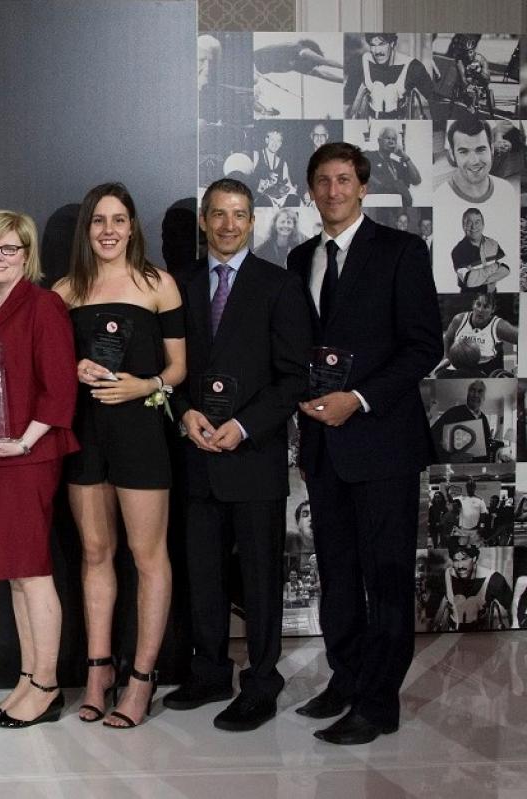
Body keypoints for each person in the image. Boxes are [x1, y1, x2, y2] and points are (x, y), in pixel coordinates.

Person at [291, 141, 442, 744]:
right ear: (310, 190)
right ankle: (347, 678)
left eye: (344, 180)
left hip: (383, 444)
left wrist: (358, 398)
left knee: (385, 576)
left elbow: (423, 347)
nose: (333, 191)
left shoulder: (402, 251)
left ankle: (380, 702)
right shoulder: (302, 257)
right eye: (323, 181)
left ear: (362, 186)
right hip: (324, 448)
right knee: (337, 571)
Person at [164, 178, 312, 732]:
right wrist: (183, 411)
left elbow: (293, 377)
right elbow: (166, 367)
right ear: (204, 221)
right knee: (202, 573)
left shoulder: (280, 285)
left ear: (253, 222)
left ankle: (262, 682)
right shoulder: (178, 285)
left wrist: (245, 426)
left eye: (240, 215)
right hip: (196, 452)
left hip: (253, 456)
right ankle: (209, 672)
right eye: (219, 214)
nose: (229, 224)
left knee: (259, 578)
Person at [53, 182, 186, 729]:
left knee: (148, 556)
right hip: (85, 435)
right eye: (98, 221)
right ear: (87, 230)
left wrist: (143, 384)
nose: (108, 230)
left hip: (141, 434)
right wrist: (73, 369)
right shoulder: (64, 291)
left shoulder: (160, 285)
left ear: (133, 227)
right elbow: (48, 368)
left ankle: (142, 679)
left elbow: (178, 369)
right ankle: (99, 672)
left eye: (118, 220)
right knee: (94, 553)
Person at [0, 211, 78, 728]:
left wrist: (23, 444)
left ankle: (46, 685)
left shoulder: (44, 305)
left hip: (26, 458)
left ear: (27, 255)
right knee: (16, 578)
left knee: (33, 572)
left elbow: (61, 387)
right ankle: (27, 679)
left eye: (9, 249)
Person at [426, 537, 511, 631]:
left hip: (481, 634)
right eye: (455, 560)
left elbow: (511, 605)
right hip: (452, 632)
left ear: (474, 558)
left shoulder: (494, 579)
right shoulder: (444, 576)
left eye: (464, 559)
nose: (460, 566)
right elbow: (431, 607)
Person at [346, 33, 433, 119]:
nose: (377, 51)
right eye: (373, 45)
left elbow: (435, 99)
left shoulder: (413, 67)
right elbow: (347, 98)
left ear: (392, 43)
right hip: (371, 122)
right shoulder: (361, 62)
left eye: (382, 44)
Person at [440, 115, 517, 205]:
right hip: (452, 152)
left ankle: (493, 186)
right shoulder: (456, 117)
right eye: (464, 152)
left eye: (481, 150)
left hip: (482, 143)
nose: (474, 161)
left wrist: (499, 140)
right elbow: (458, 142)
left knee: (504, 147)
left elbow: (492, 135)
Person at [436, 291, 516, 377]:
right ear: (473, 305)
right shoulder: (459, 320)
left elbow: (522, 339)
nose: (480, 310)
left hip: (484, 368)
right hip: (459, 364)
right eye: (478, 304)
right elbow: (448, 338)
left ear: (493, 310)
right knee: (441, 374)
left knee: (461, 374)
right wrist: (448, 358)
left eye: (486, 307)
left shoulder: (499, 326)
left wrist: (520, 366)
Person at [430, 380, 501, 463]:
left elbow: (487, 445)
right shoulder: (452, 412)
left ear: (484, 398)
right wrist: (448, 457)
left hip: (478, 470)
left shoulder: (484, 419)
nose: (475, 394)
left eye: (480, 391)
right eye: (472, 390)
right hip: (455, 469)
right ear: (467, 394)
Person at [449, 208, 507, 293]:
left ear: (483, 224)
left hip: (493, 294)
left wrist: (478, 276)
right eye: (469, 223)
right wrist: (495, 267)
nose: (474, 226)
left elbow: (506, 269)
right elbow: (469, 281)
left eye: (477, 222)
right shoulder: (458, 251)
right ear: (464, 226)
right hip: (469, 296)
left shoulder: (493, 244)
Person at [366, 126, 421, 206]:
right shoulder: (369, 155)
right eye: (388, 138)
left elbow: (416, 180)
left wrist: (404, 155)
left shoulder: (396, 164)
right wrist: (383, 185)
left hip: (398, 203)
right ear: (379, 141)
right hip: (378, 201)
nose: (391, 141)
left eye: (393, 139)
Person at [251, 128, 298, 207]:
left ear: (281, 144)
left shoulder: (283, 163)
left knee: (294, 200)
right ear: (266, 140)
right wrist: (259, 182)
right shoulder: (256, 155)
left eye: (278, 140)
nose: (275, 143)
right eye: (272, 139)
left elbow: (289, 185)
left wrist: (297, 195)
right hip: (257, 201)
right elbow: (246, 180)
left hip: (275, 203)